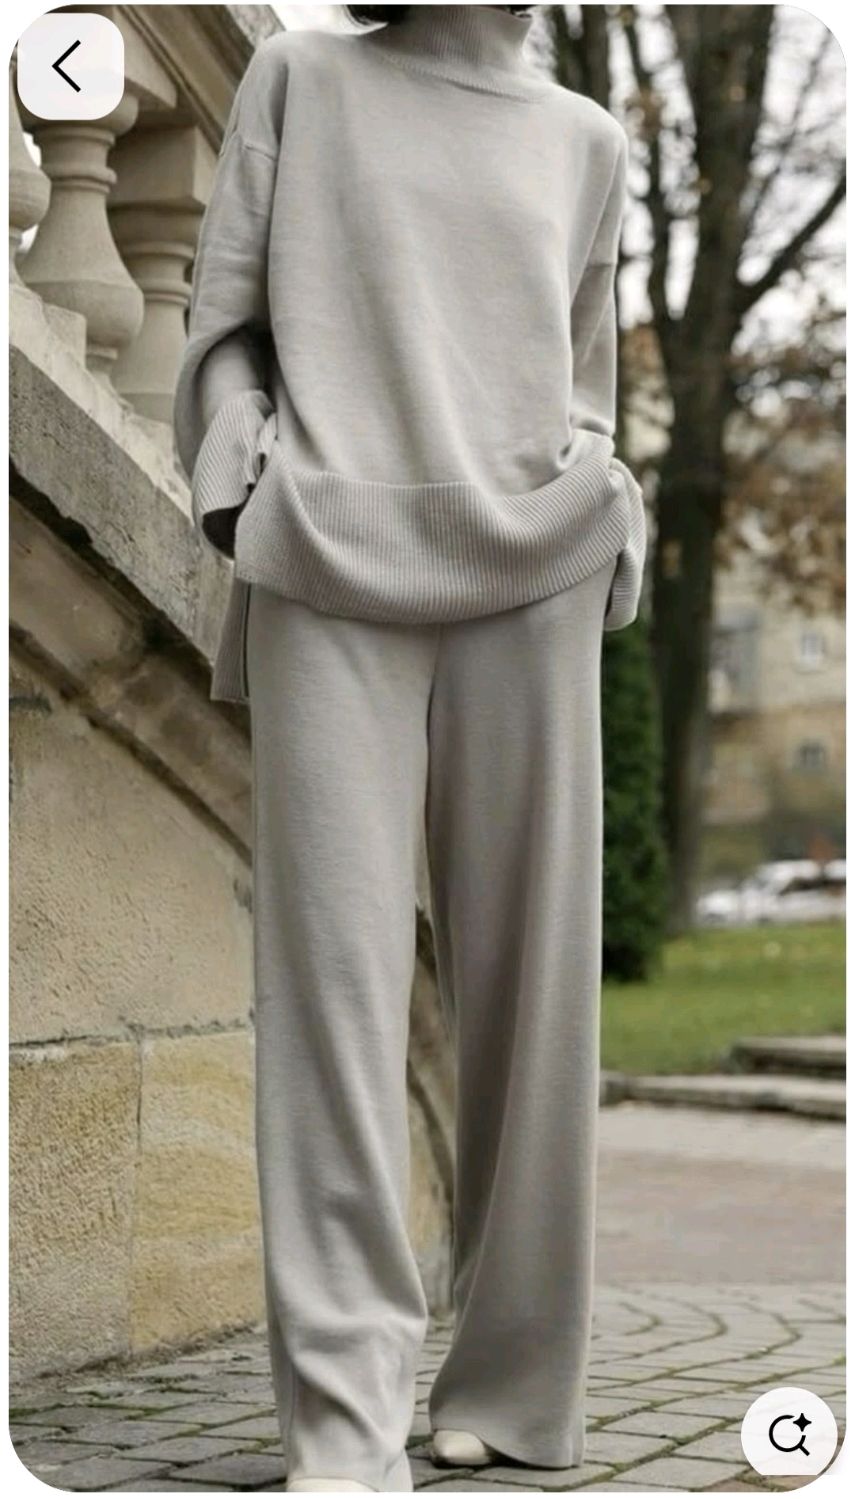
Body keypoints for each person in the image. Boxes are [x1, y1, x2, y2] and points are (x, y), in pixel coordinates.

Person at [173, 4, 646, 1492]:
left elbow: (583, 382)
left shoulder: (587, 140)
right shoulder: (302, 75)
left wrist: (601, 488)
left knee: (534, 997)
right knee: (331, 992)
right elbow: (224, 323)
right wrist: (244, 480)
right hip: (328, 560)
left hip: (537, 569)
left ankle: (513, 1387)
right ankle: (343, 1417)